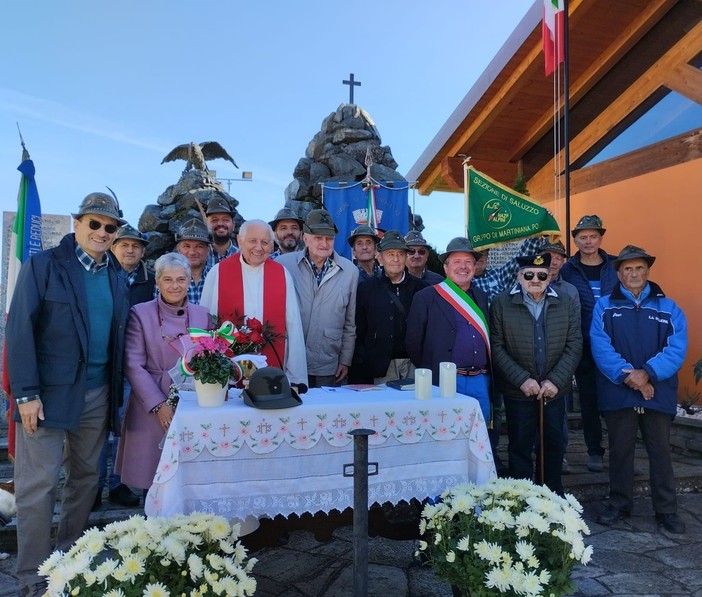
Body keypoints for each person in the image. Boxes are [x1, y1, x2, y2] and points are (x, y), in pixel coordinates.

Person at [5, 192, 129, 597]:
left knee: (85, 480)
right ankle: (33, 577)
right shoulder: (44, 265)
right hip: (46, 397)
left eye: (109, 227)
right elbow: (19, 330)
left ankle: (69, 557)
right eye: (94, 223)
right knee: (37, 487)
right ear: (77, 224)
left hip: (96, 395)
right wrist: (25, 394)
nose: (101, 232)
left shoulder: (116, 274)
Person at [591, 245, 687, 533]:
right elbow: (600, 345)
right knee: (620, 452)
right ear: (619, 273)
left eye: (639, 268)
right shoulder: (604, 306)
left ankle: (666, 511)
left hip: (657, 390)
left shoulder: (670, 308)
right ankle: (620, 504)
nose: (634, 273)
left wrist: (647, 374)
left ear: (648, 271)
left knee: (660, 453)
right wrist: (630, 377)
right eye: (628, 269)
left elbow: (677, 347)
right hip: (619, 390)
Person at [115, 253, 212, 492]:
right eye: (167, 279)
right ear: (157, 282)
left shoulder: (203, 314)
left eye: (181, 279)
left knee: (190, 474)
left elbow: (211, 358)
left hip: (193, 400)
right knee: (153, 478)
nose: (175, 285)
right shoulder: (140, 312)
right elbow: (133, 364)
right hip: (150, 401)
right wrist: (159, 404)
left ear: (189, 281)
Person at [490, 254, 582, 495]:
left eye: (541, 275)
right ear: (519, 277)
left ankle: (552, 497)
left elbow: (574, 344)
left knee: (553, 444)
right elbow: (496, 346)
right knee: (519, 445)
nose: (535, 279)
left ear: (549, 277)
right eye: (528, 274)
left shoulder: (565, 302)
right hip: (519, 391)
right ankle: (520, 498)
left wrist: (555, 380)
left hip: (554, 391)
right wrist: (522, 379)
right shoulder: (501, 303)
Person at [200, 219, 307, 385]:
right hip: (227, 374)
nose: (259, 248)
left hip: (272, 368)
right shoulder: (218, 273)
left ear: (272, 246)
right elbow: (206, 325)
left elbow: (293, 326)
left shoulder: (281, 274)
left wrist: (296, 378)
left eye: (265, 242)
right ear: (240, 241)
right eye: (252, 241)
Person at [95, 223, 154, 508]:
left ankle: (117, 484)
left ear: (143, 251)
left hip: (133, 364)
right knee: (95, 429)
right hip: (101, 362)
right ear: (113, 247)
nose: (129, 250)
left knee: (124, 426)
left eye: (135, 246)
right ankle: (91, 487)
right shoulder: (99, 275)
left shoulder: (152, 282)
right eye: (124, 245)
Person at [406, 237, 491, 421]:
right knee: (448, 431)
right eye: (457, 262)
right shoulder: (426, 297)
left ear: (475, 267)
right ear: (446, 267)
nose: (463, 267)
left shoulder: (482, 297)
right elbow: (414, 342)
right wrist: (434, 367)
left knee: (482, 431)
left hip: (481, 379)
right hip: (447, 380)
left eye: (468, 262)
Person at [560, 215, 618, 472]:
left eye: (593, 236)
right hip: (583, 344)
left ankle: (621, 454)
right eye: (582, 237)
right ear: (575, 240)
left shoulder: (616, 265)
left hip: (616, 344)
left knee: (618, 401)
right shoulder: (567, 270)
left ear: (600, 238)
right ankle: (595, 452)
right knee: (589, 401)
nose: (588, 241)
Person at [277, 209, 358, 388]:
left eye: (329, 238)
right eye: (318, 238)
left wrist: (345, 360)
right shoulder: (284, 265)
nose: (324, 243)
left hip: (328, 363)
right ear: (305, 238)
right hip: (291, 360)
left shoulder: (350, 271)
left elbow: (350, 323)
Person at [354, 230, 428, 383]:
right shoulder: (366, 289)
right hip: (380, 366)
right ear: (380, 258)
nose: (396, 259)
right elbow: (359, 329)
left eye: (400, 254)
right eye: (390, 254)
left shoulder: (422, 289)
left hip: (413, 364)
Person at [540, 240, 580, 473]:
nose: (553, 261)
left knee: (558, 414)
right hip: (530, 359)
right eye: (548, 256)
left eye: (558, 258)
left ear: (564, 262)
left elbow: (574, 329)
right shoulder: (527, 282)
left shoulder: (570, 291)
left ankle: (559, 455)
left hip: (559, 362)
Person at [472, 236, 546, 305]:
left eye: (483, 254)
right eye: (476, 254)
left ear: (488, 256)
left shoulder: (497, 275)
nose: (480, 257)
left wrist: (536, 233)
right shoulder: (463, 281)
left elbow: (520, 259)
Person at [174, 218, 212, 305]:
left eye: (199, 246)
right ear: (178, 249)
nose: (192, 252)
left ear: (208, 250)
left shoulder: (218, 276)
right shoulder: (167, 278)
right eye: (186, 246)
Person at [205, 195, 239, 267]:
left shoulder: (244, 257)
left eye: (225, 220)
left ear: (233, 225)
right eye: (214, 220)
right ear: (206, 224)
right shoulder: (199, 257)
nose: (220, 223)